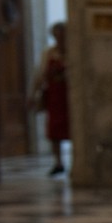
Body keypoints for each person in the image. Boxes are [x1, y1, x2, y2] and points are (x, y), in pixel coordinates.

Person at [30, 21, 70, 176]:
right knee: (54, 131)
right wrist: (33, 94)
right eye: (57, 35)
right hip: (55, 97)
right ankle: (58, 162)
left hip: (70, 97)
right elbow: (39, 75)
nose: (60, 38)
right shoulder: (48, 53)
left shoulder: (74, 52)